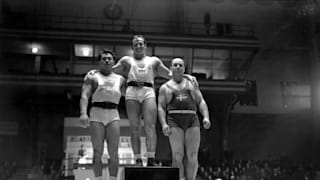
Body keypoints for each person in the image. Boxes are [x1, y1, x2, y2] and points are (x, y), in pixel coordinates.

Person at [112, 35, 171, 166]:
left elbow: (170, 74)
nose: (138, 46)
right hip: (132, 92)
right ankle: (138, 159)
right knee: (135, 128)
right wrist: (96, 71)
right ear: (132, 47)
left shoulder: (154, 61)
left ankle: (151, 159)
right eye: (135, 44)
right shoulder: (126, 60)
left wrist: (186, 76)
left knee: (150, 127)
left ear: (145, 46)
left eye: (140, 44)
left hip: (148, 91)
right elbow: (110, 70)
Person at [158, 58, 211, 180]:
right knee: (177, 155)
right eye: (175, 65)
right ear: (170, 68)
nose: (177, 67)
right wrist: (164, 124)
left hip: (192, 119)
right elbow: (161, 107)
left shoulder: (192, 84)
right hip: (174, 120)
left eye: (180, 65)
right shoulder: (164, 88)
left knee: (192, 155)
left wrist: (206, 117)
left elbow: (201, 101)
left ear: (184, 68)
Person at [80, 49, 126, 180]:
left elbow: (130, 95)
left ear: (113, 62)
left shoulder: (121, 79)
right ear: (99, 62)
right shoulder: (92, 77)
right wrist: (83, 113)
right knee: (97, 152)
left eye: (109, 59)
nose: (106, 60)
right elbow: (84, 95)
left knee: (114, 152)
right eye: (103, 59)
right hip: (96, 113)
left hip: (113, 114)